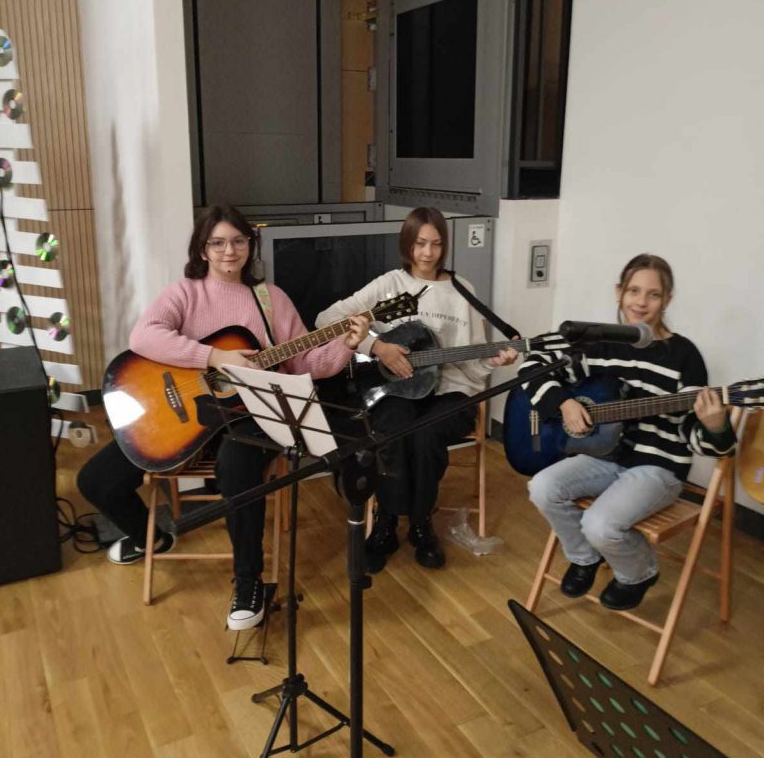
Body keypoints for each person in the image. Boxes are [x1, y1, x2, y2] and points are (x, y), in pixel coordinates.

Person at [78, 204, 368, 630]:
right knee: (95, 481)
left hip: (250, 414)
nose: (229, 251)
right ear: (202, 249)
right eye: (217, 243)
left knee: (236, 469)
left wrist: (347, 343)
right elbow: (143, 336)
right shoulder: (185, 293)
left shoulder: (271, 299)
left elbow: (307, 363)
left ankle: (248, 582)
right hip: (186, 420)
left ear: (251, 245)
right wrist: (214, 356)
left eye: (237, 241)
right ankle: (151, 538)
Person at [520, 253, 736, 611]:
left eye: (653, 294)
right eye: (634, 290)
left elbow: (693, 434)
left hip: (657, 467)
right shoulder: (601, 344)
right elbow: (533, 364)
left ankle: (639, 572)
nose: (641, 302)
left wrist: (715, 426)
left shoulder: (684, 355)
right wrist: (564, 403)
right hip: (603, 457)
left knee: (600, 524)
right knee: (542, 487)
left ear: (667, 300)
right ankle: (585, 557)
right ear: (619, 292)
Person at [315, 207, 518, 573]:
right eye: (420, 243)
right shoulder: (389, 285)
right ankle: (388, 521)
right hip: (396, 389)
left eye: (436, 244)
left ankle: (421, 524)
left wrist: (492, 362)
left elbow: (473, 364)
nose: (428, 253)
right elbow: (326, 319)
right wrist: (376, 347)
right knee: (392, 427)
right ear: (406, 243)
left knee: (425, 433)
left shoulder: (463, 291)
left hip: (452, 391)